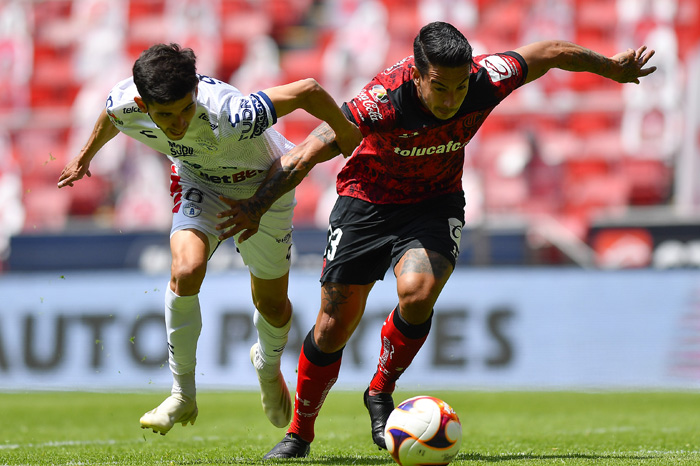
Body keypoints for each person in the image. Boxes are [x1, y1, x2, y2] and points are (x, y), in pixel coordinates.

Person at [215, 21, 657, 458]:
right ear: (416, 75)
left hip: (434, 202)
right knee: (333, 327)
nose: (451, 100)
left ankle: (379, 391)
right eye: (440, 88)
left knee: (419, 292)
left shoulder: (488, 78)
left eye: (460, 87)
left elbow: (549, 52)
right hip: (367, 200)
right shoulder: (382, 101)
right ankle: (299, 434)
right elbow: (308, 150)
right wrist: (257, 204)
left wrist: (611, 68)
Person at [57, 43, 362, 435]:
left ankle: (267, 364)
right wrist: (85, 156)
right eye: (165, 115)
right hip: (199, 182)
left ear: (196, 92)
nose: (179, 122)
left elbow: (308, 90)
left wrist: (345, 130)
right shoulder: (126, 102)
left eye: (186, 109)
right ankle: (182, 393)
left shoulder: (232, 114)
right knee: (186, 270)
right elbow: (111, 115)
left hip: (264, 185)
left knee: (271, 305)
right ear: (143, 104)